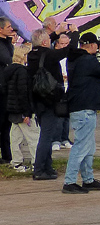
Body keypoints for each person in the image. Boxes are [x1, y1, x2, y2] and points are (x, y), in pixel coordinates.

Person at [62, 31, 100, 194]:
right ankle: (69, 182)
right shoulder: (86, 60)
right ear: (91, 45)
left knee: (88, 147)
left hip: (82, 108)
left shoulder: (76, 59)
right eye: (96, 46)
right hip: (84, 110)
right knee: (81, 147)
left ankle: (88, 179)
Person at [27, 27, 75, 180]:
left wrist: (54, 33)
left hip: (38, 100)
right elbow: (68, 50)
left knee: (45, 133)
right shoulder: (49, 55)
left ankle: (47, 167)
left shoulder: (32, 55)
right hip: (50, 100)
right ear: (46, 42)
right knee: (47, 136)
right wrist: (74, 33)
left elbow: (43, 42)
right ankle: (39, 169)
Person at [5, 43, 39, 173]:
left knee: (15, 138)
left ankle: (17, 163)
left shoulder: (8, 71)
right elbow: (23, 93)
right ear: (23, 56)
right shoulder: (22, 72)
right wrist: (27, 113)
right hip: (22, 110)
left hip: (13, 110)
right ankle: (37, 163)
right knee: (33, 137)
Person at [52, 32, 74, 151]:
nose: (64, 46)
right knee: (59, 115)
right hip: (58, 87)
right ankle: (56, 139)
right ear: (57, 44)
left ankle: (65, 138)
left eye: (67, 44)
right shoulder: (54, 56)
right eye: (62, 43)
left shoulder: (71, 56)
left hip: (68, 87)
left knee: (66, 116)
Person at [0, 16, 15, 163]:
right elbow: (7, 59)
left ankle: (6, 155)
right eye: (9, 27)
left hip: (5, 87)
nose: (12, 29)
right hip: (1, 88)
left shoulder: (6, 43)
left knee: (6, 124)